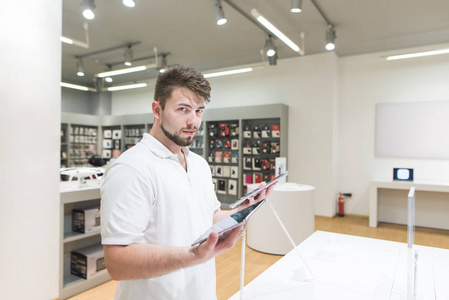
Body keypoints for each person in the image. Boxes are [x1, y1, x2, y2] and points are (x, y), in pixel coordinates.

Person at [100, 65, 272, 300]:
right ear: (157, 109)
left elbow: (209, 217)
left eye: (199, 111)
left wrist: (243, 211)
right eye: (183, 109)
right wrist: (194, 255)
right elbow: (117, 263)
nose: (194, 121)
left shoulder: (199, 164)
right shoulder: (131, 168)